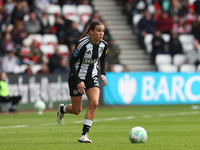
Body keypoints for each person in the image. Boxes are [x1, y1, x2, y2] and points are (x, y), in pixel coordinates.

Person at [56, 21, 108, 143]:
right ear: (91, 31)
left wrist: (103, 73)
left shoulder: (104, 45)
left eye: (102, 31)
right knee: (76, 110)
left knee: (94, 103)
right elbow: (71, 63)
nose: (101, 33)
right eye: (98, 31)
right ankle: (63, 109)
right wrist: (79, 81)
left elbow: (103, 58)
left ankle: (84, 135)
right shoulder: (82, 44)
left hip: (92, 76)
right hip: (76, 76)